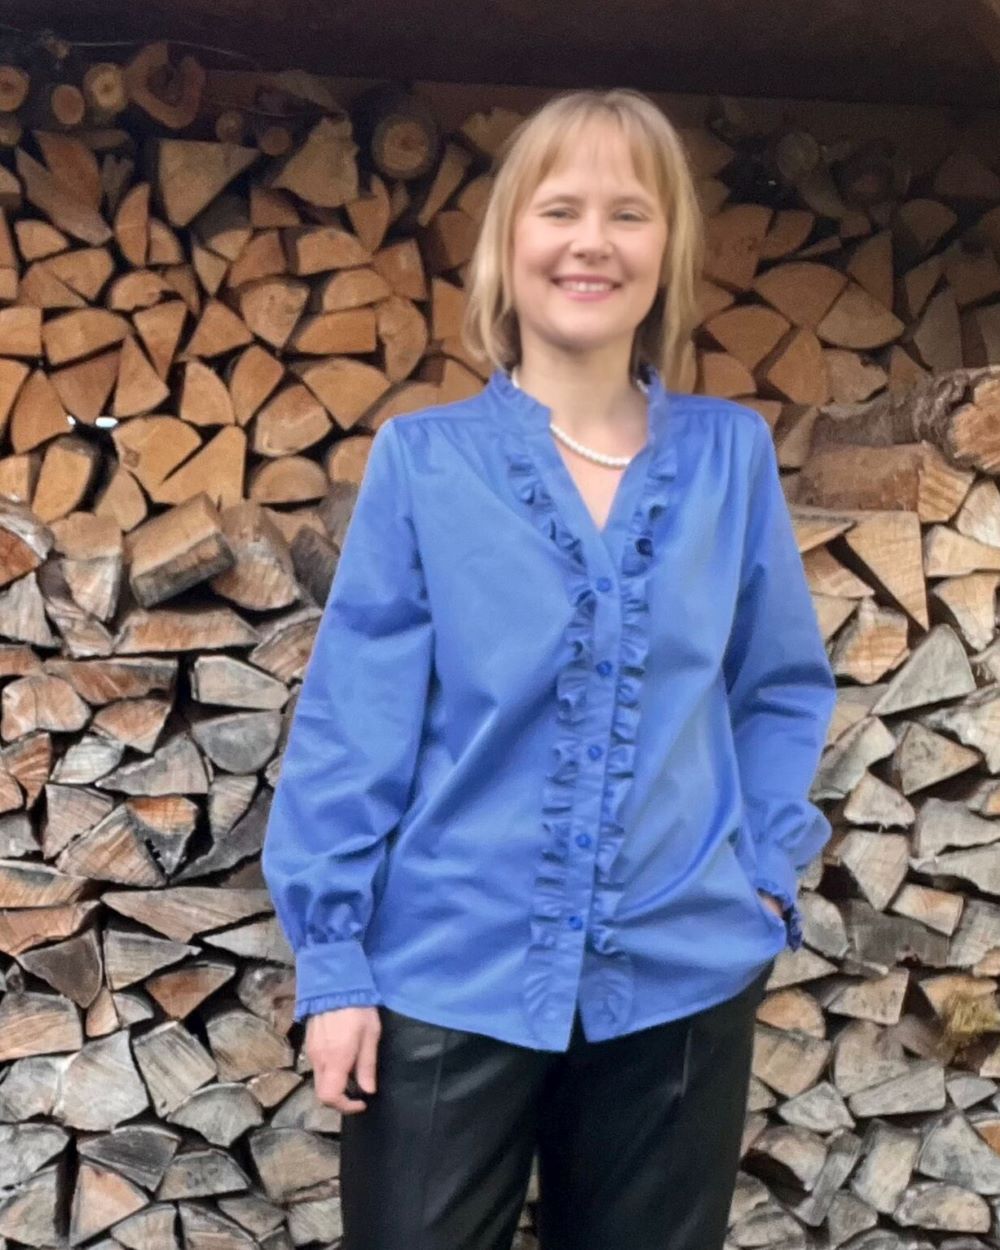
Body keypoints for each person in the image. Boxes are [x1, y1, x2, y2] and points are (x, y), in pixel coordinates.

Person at [261, 87, 837, 1250]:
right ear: (507, 241)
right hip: (447, 971)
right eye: (560, 208)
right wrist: (334, 961)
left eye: (628, 212)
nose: (591, 242)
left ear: (666, 247)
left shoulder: (728, 458)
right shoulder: (424, 463)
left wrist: (764, 871)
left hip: (680, 973)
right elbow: (355, 719)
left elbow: (777, 685)